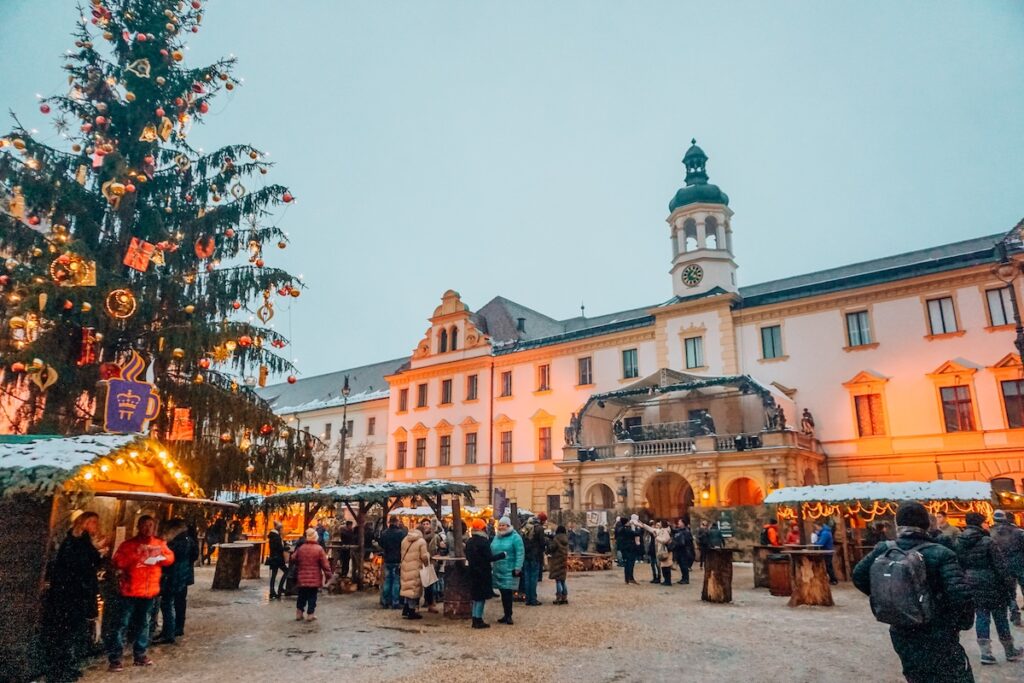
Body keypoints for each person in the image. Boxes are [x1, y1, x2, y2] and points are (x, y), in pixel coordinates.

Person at [852, 501, 975, 683]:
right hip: (937, 631)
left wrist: (892, 597)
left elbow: (858, 576)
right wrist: (958, 623)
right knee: (952, 675)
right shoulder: (942, 553)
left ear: (898, 524)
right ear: (926, 524)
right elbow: (960, 595)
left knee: (916, 675)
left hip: (902, 629)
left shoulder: (885, 549)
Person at [106, 515, 174, 671]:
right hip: (130, 590)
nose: (148, 528)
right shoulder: (129, 545)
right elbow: (118, 561)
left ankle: (140, 655)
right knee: (122, 624)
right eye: (145, 525)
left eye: (151, 525)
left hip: (149, 592)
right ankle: (115, 658)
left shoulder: (159, 543)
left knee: (144, 624)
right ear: (138, 527)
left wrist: (159, 557)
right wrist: (138, 555)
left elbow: (170, 558)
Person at [43, 511, 104, 681]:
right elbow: (82, 567)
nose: (96, 526)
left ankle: (66, 667)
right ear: (84, 523)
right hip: (71, 596)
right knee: (65, 634)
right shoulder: (76, 542)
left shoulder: (79, 541)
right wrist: (97, 552)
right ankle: (60, 671)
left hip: (73, 595)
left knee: (69, 633)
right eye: (93, 522)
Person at [955, 512, 1023, 665]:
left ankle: (986, 653)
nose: (987, 524)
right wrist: (1009, 585)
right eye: (985, 522)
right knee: (1000, 617)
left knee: (982, 616)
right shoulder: (988, 541)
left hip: (972, 583)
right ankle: (1009, 650)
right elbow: (999, 566)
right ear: (980, 523)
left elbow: (960, 564)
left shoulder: (959, 542)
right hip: (993, 584)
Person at [153, 518, 197, 644]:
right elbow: (195, 555)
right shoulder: (189, 540)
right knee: (179, 602)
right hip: (184, 576)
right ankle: (177, 627)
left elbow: (168, 559)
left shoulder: (176, 542)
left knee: (168, 603)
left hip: (173, 577)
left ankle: (169, 632)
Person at [466, 518, 507, 628]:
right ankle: (478, 620)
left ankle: (474, 619)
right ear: (482, 528)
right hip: (483, 572)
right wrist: (502, 555)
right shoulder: (483, 542)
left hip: (472, 571)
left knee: (475, 597)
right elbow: (489, 558)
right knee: (481, 597)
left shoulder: (469, 542)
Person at [989, 509, 1024, 627]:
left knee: (1011, 591)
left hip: (1003, 565)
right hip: (1019, 562)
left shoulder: (991, 533)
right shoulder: (1018, 532)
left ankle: (1015, 613)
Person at [490, 516, 525, 624]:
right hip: (498, 568)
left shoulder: (516, 538)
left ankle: (509, 615)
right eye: (500, 525)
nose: (501, 527)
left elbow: (520, 553)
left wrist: (518, 567)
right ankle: (506, 614)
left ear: (508, 525)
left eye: (503, 525)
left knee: (508, 593)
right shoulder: (497, 537)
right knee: (502, 592)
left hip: (510, 569)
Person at [291, 528, 331, 621]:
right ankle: (310, 614)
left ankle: (299, 613)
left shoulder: (301, 548)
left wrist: (299, 563)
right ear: (315, 538)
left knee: (301, 595)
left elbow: (293, 558)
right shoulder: (319, 549)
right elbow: (325, 564)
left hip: (302, 577)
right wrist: (329, 575)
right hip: (314, 577)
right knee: (312, 596)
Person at [399, 522, 430, 620]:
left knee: (407, 587)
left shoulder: (405, 539)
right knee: (414, 588)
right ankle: (412, 612)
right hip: (416, 566)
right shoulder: (421, 542)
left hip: (405, 566)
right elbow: (424, 556)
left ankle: (406, 608)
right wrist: (427, 563)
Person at [377, 516, 407, 609]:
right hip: (397, 560)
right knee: (396, 582)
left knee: (387, 581)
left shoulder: (384, 533)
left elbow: (380, 544)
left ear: (390, 522)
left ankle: (385, 601)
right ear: (397, 522)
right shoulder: (401, 534)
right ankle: (395, 602)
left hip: (387, 559)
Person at [634, 519, 674, 585]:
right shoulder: (662, 531)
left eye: (660, 523)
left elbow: (665, 540)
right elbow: (651, 529)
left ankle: (668, 581)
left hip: (665, 551)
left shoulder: (665, 531)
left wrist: (656, 537)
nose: (658, 524)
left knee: (666, 567)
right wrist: (642, 524)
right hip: (662, 550)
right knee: (664, 567)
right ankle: (666, 580)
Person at [521, 516, 546, 606]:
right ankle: (533, 599)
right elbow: (542, 543)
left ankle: (527, 599)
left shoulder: (524, 529)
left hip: (526, 556)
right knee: (534, 578)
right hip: (535, 556)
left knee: (527, 578)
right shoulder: (539, 529)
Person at [547, 525, 570, 604]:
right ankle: (564, 597)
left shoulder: (556, 539)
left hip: (556, 561)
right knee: (563, 580)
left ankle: (558, 597)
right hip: (563, 561)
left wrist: (550, 541)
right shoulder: (566, 539)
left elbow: (552, 548)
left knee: (558, 581)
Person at [615, 514, 641, 584]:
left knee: (626, 564)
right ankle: (630, 578)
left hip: (624, 549)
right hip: (629, 548)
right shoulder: (626, 529)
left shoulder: (620, 529)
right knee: (630, 563)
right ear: (626, 522)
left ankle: (627, 579)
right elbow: (636, 533)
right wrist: (639, 528)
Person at [267, 520, 288, 600]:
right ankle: (280, 588)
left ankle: (272, 591)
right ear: (279, 529)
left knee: (274, 575)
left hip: (274, 557)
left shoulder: (273, 535)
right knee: (286, 571)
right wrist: (285, 548)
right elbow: (278, 547)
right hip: (278, 558)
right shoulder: (276, 537)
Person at [673, 520, 696, 585]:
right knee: (681, 564)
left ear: (683, 523)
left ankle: (686, 579)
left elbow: (687, 542)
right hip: (679, 550)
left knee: (684, 565)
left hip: (684, 550)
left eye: (680, 522)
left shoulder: (686, 531)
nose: (678, 523)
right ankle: (683, 578)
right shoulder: (679, 531)